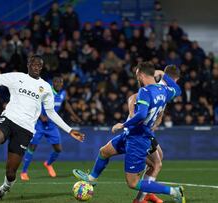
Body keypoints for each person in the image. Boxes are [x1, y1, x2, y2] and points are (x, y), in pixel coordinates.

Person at [0, 55, 84, 200]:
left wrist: (69, 130)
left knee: (11, 172)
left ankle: (3, 190)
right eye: (34, 64)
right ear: (28, 64)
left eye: (40, 66)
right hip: (8, 119)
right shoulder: (16, 77)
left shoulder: (46, 87)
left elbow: (51, 112)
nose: (37, 67)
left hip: (26, 130)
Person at [73, 62, 185, 203]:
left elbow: (141, 115)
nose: (136, 77)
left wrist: (123, 124)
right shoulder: (164, 91)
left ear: (140, 74)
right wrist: (163, 74)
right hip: (131, 134)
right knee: (104, 151)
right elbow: (178, 90)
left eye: (137, 74)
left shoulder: (145, 91)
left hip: (137, 139)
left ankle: (174, 191)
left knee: (133, 182)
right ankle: (92, 179)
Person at [131, 65, 180, 203]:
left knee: (158, 159)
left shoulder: (159, 87)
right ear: (175, 79)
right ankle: (141, 198)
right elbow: (133, 98)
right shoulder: (161, 87)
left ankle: (148, 192)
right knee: (156, 164)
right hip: (140, 132)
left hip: (145, 131)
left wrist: (159, 117)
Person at [20, 76, 81, 181]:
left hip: (52, 125)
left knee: (58, 149)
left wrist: (74, 115)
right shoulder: (46, 91)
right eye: (56, 81)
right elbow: (35, 103)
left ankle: (48, 164)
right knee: (32, 147)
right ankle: (24, 172)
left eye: (60, 82)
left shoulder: (63, 93)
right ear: (53, 83)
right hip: (39, 124)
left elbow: (65, 104)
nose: (59, 83)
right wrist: (40, 115)